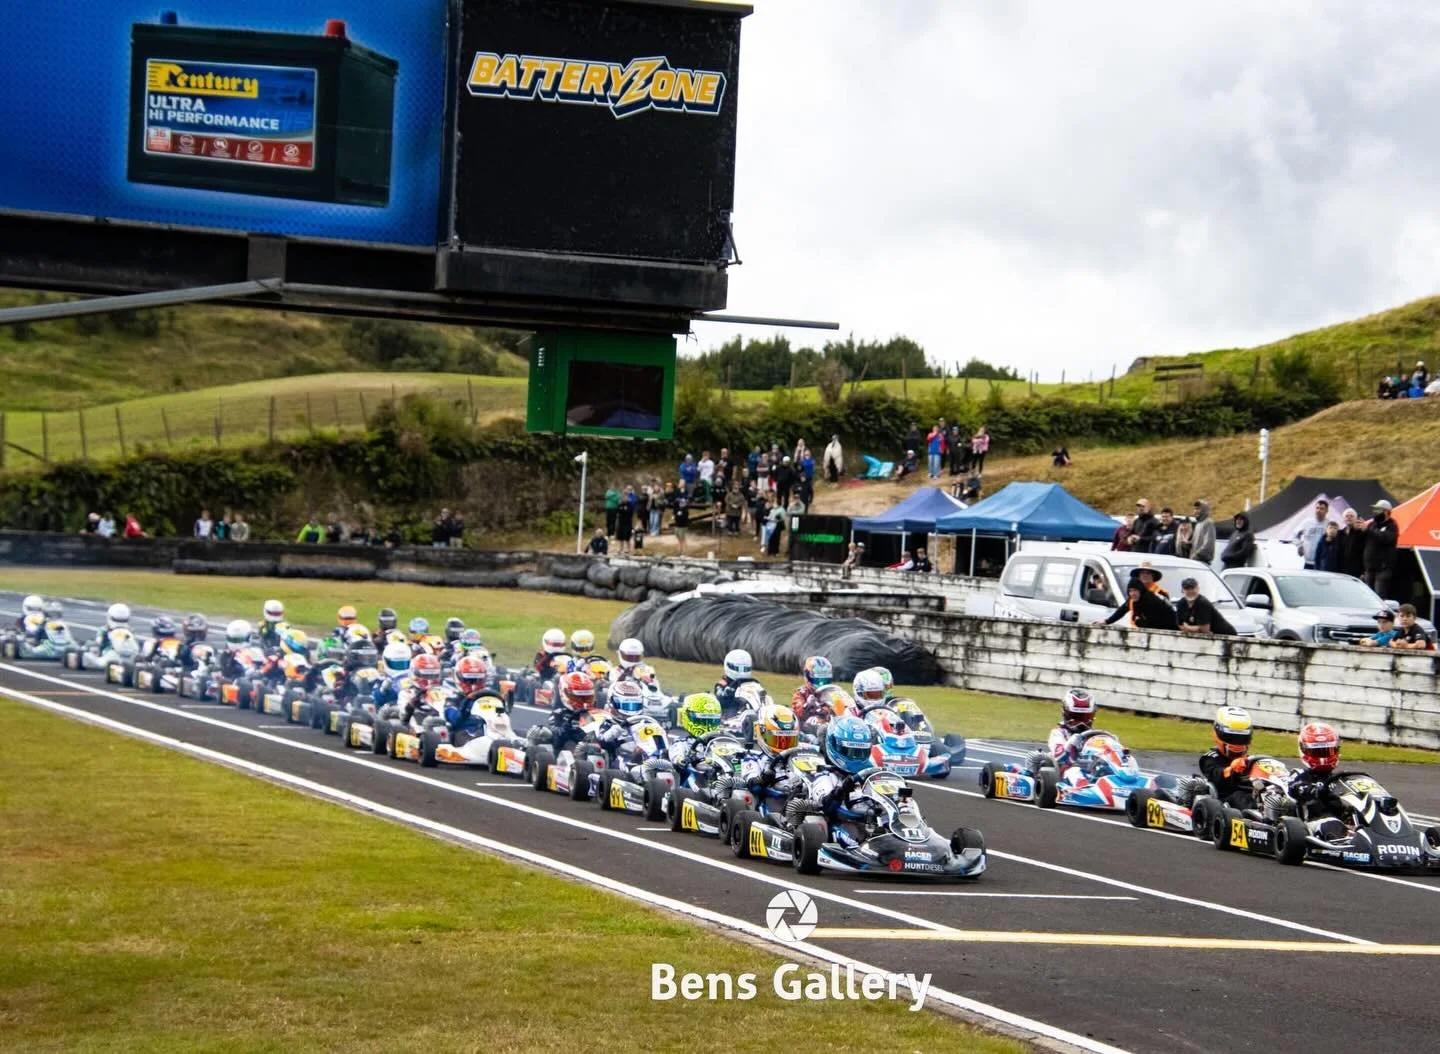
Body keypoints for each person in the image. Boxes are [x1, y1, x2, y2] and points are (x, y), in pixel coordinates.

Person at [1287, 722, 1346, 836]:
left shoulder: (1342, 778)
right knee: (1332, 824)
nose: (1323, 757)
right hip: (1312, 823)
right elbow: (1294, 789)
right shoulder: (1299, 776)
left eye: (1328, 751)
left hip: (1344, 822)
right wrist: (1314, 790)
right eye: (1317, 752)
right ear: (1304, 750)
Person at [1198, 706, 1258, 809]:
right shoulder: (1210, 758)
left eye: (1241, 738)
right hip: (1223, 802)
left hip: (1252, 797)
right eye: (1232, 737)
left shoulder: (1250, 760)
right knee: (1240, 797)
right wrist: (1232, 769)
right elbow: (1217, 777)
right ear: (1218, 734)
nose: (1237, 742)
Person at [1099, 570, 1179, 630]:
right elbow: (1122, 610)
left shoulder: (1157, 596)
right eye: (1142, 574)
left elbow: (1161, 618)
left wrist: (1140, 623)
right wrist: (1107, 621)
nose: (1145, 576)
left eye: (1147, 574)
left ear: (1153, 577)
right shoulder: (1135, 595)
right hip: (1139, 630)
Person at [1046, 688, 1098, 768]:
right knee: (1075, 772)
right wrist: (1071, 743)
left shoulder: (1095, 735)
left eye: (1085, 718)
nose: (1081, 723)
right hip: (1069, 771)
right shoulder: (1058, 733)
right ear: (1066, 714)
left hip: (1093, 772)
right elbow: (1059, 757)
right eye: (1076, 717)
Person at [1362, 500, 1399, 598]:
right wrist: (1362, 531)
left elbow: (1387, 538)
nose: (1375, 512)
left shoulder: (1392, 526)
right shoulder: (1372, 524)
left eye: (1378, 509)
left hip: (1382, 569)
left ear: (1386, 512)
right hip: (1369, 568)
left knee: (1379, 597)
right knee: (1367, 597)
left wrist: (1371, 531)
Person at [713, 648, 757, 716]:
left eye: (745, 668)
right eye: (737, 668)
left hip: (752, 711)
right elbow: (720, 698)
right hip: (731, 716)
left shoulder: (753, 684)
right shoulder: (722, 684)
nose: (742, 672)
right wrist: (729, 692)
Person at [1295, 499, 1330, 569]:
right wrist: (1299, 546)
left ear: (1326, 511)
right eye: (1317, 508)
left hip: (1322, 562)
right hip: (1308, 561)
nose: (1318, 510)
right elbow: (1296, 534)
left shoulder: (1329, 524)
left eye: (1322, 509)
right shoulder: (1307, 522)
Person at [1336, 508, 1366, 579]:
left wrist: (1363, 571)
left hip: (1356, 572)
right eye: (1347, 516)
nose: (1349, 517)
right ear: (1343, 519)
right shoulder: (1339, 534)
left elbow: (1364, 553)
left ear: (1356, 519)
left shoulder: (1361, 533)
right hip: (1340, 571)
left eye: (1351, 516)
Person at [1189, 500, 1216, 565]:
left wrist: (1196, 554)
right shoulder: (1198, 524)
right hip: (1195, 560)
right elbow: (1195, 543)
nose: (1196, 511)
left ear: (1204, 509)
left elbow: (1208, 543)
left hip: (1202, 561)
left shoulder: (1208, 522)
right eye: (1195, 509)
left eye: (1198, 509)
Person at [615, 488, 634, 553]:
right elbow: (618, 511)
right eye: (623, 497)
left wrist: (624, 510)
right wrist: (622, 509)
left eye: (626, 496)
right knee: (620, 536)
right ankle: (621, 548)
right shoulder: (620, 504)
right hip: (621, 522)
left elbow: (630, 512)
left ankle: (628, 549)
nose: (624, 498)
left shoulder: (630, 504)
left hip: (628, 522)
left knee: (627, 536)